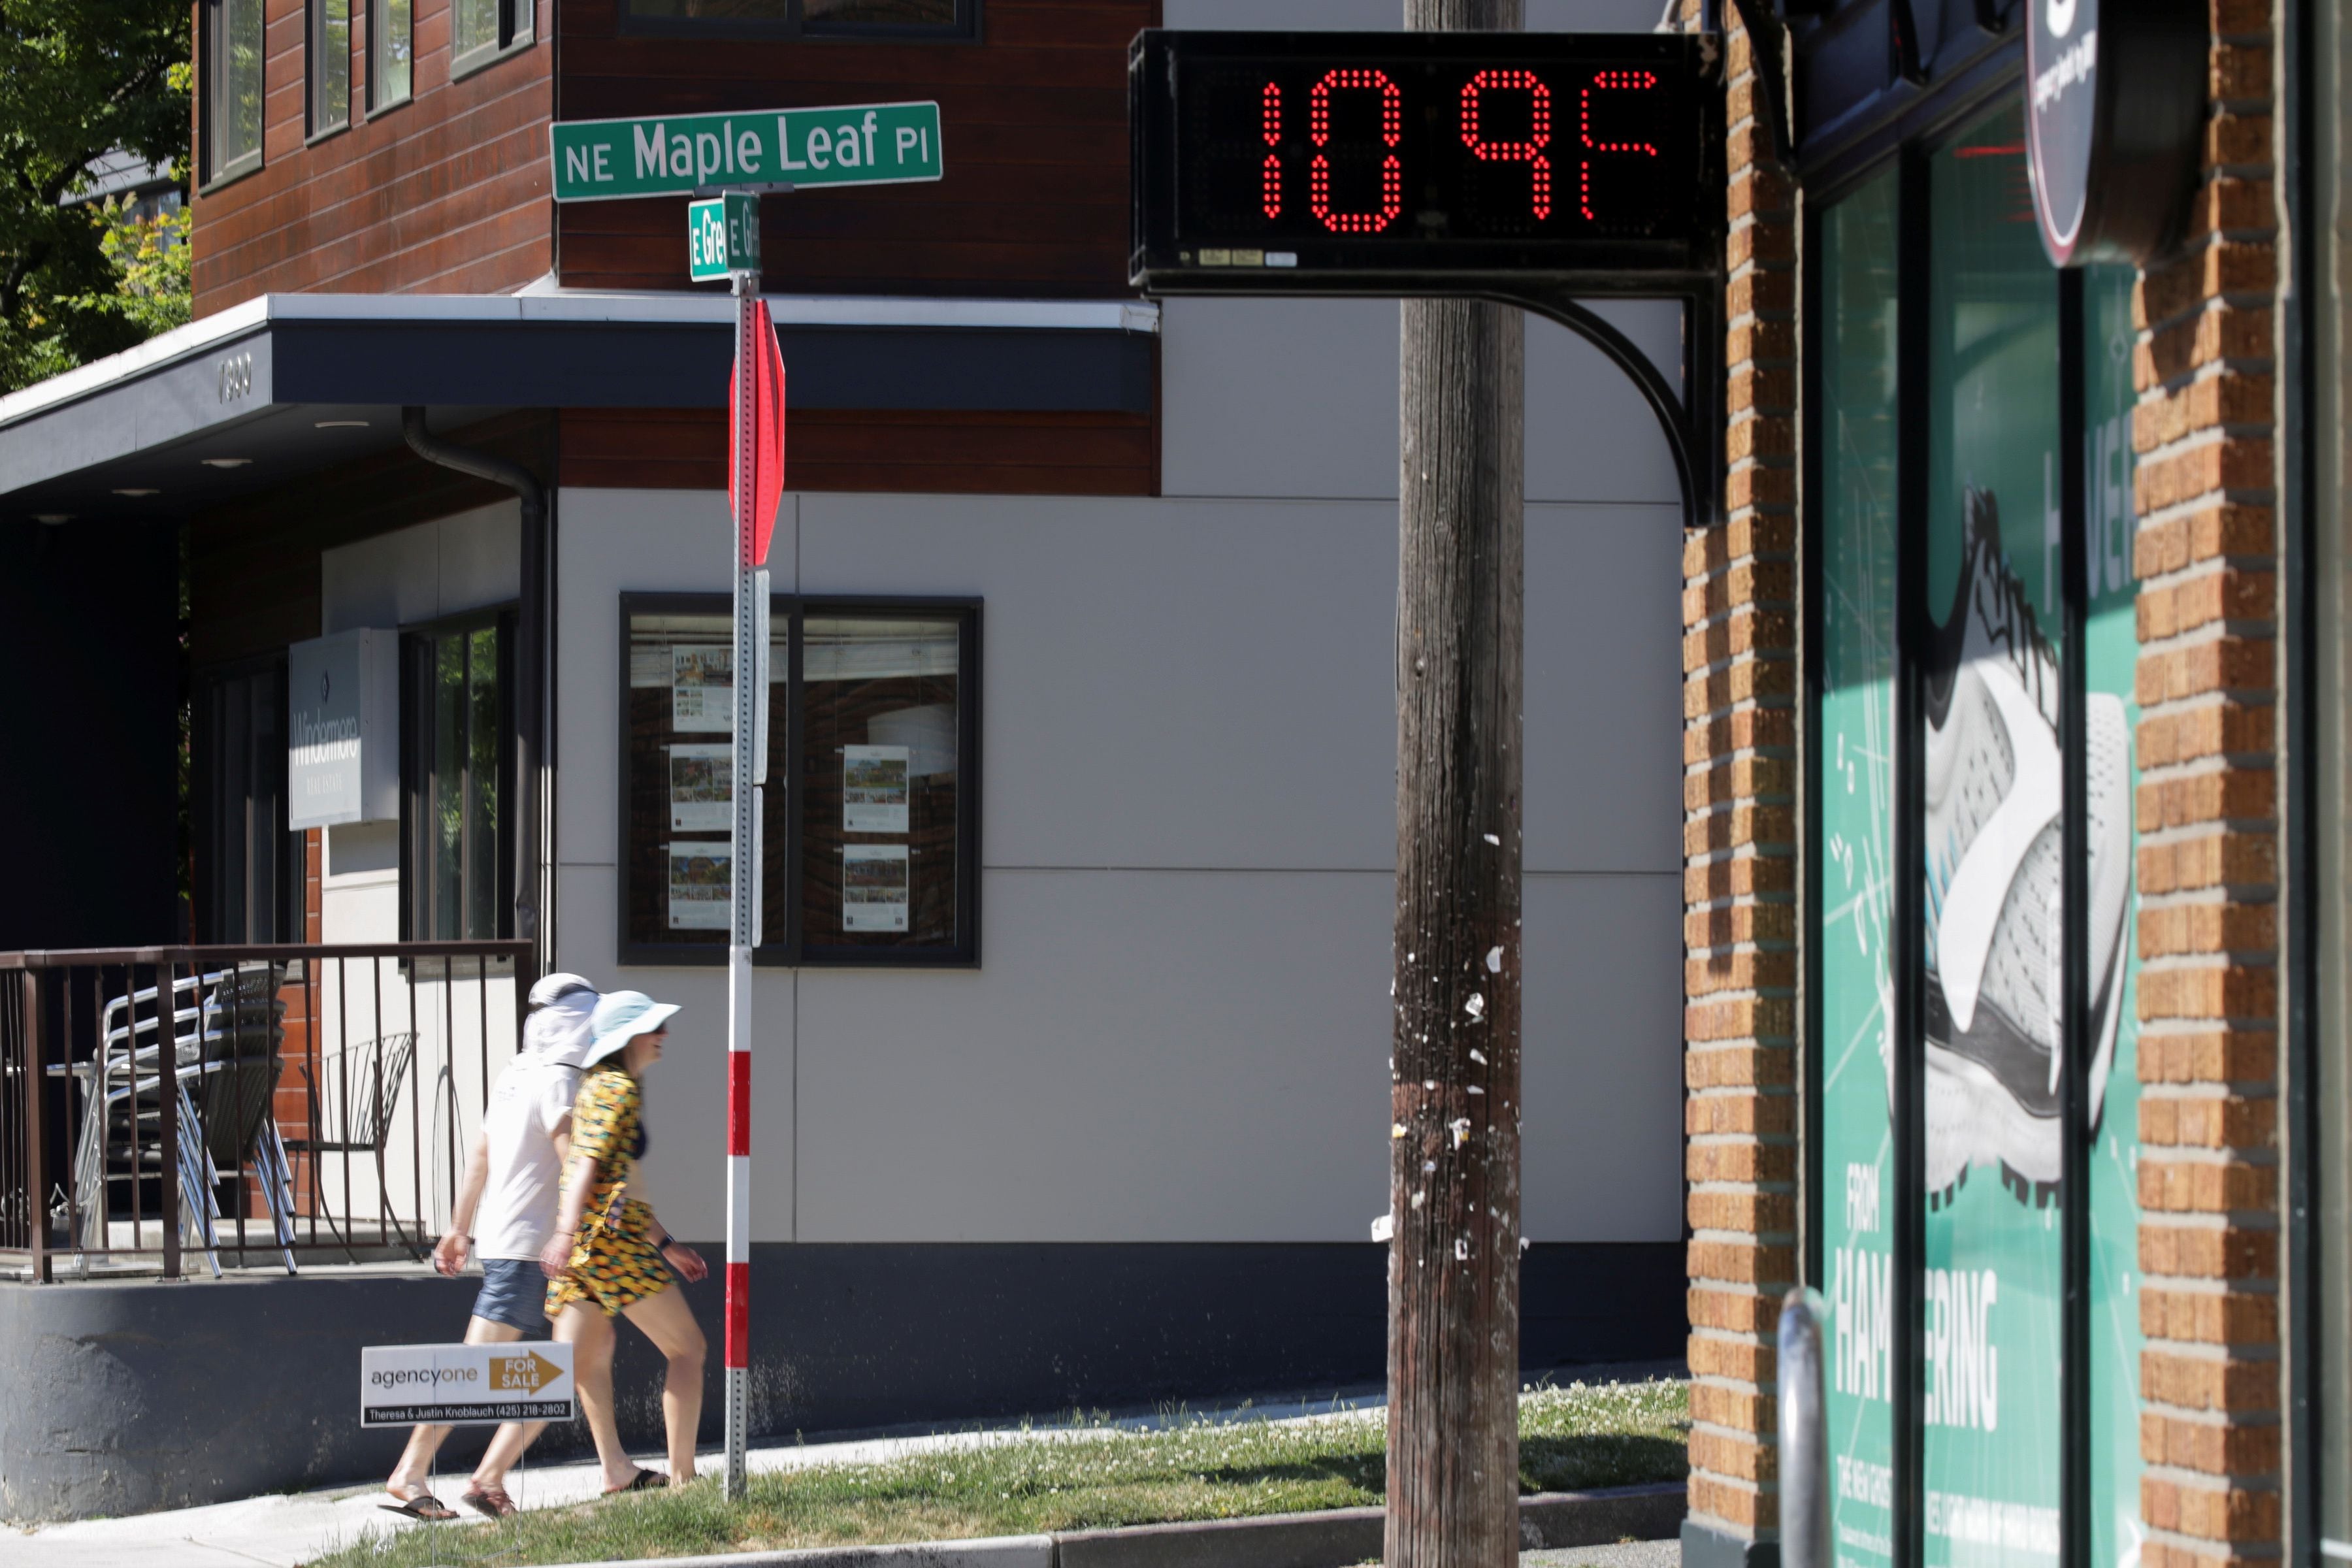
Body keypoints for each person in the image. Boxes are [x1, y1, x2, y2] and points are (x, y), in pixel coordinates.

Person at [381, 972, 600, 1522]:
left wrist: (460, 1229)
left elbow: (480, 1156)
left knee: (574, 1360)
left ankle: (509, 1474)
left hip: (511, 1243)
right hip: (533, 1249)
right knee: (478, 1370)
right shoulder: (557, 1081)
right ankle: (416, 1474)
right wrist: (585, 1218)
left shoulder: (515, 1073)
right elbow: (573, 1158)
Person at [541, 990, 710, 1493]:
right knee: (688, 1348)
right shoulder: (619, 1088)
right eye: (655, 1028)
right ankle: (684, 1477)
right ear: (630, 1036)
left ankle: (491, 1473)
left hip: (594, 1245)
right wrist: (563, 1234)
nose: (663, 1036)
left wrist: (666, 1243)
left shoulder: (596, 1084)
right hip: (610, 1248)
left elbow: (618, 1183)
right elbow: (586, 1164)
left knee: (570, 1366)